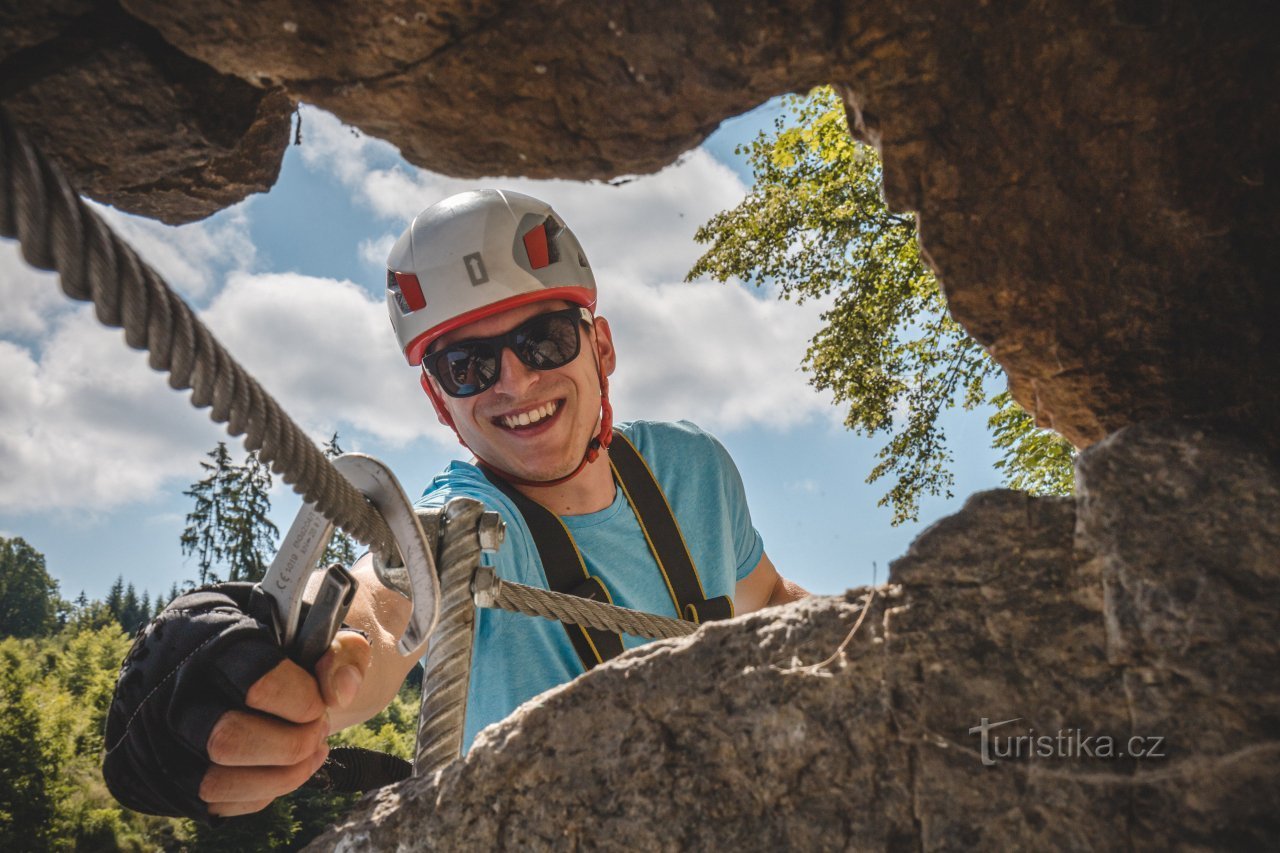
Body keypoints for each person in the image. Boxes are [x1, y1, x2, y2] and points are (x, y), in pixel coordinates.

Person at [102, 189, 806, 821]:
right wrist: (265, 667)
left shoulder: (694, 470)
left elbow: (769, 596)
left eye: (543, 339)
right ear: (440, 400)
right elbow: (383, 603)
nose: (515, 380)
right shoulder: (467, 522)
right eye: (467, 364)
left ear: (602, 346)